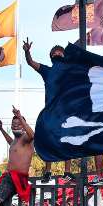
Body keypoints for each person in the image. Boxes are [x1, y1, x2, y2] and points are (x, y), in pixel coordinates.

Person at [23, 39, 67, 178]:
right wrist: (27, 52)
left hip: (65, 110)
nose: (57, 53)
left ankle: (67, 171)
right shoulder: (47, 71)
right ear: (51, 56)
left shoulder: (69, 72)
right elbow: (31, 63)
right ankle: (48, 171)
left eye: (60, 52)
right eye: (54, 52)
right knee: (49, 139)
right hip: (50, 112)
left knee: (67, 138)